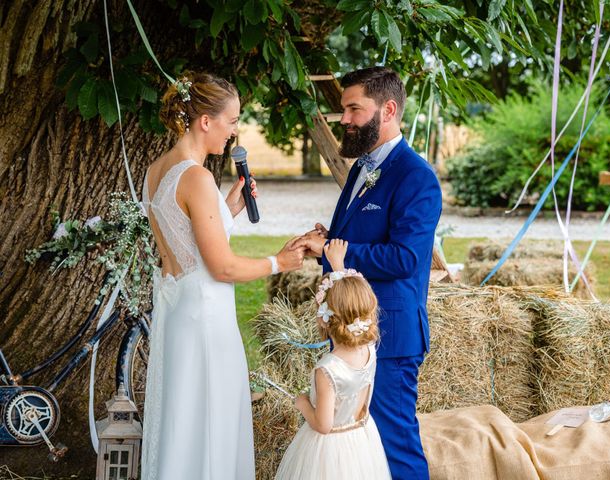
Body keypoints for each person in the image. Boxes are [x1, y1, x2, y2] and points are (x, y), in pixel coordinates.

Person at [140, 72, 304, 480]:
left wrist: (226, 210)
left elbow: (181, 248)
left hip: (182, 316)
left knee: (185, 425)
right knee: (211, 426)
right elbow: (222, 267)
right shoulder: (197, 177)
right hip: (207, 322)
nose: (234, 133)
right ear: (205, 121)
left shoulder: (155, 171)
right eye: (231, 122)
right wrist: (278, 263)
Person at [294, 67, 442, 479]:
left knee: (394, 444)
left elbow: (406, 259)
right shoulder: (362, 166)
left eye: (354, 109)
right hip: (355, 329)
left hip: (390, 333)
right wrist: (329, 238)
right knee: (358, 443)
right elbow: (359, 234)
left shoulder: (417, 178)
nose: (345, 119)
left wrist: (337, 250)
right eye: (344, 109)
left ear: (388, 109)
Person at [275, 238, 391, 480]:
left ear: (322, 318)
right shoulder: (369, 349)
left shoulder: (328, 369)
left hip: (329, 453)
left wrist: (303, 403)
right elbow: (348, 299)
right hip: (361, 441)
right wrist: (337, 265)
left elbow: (323, 425)